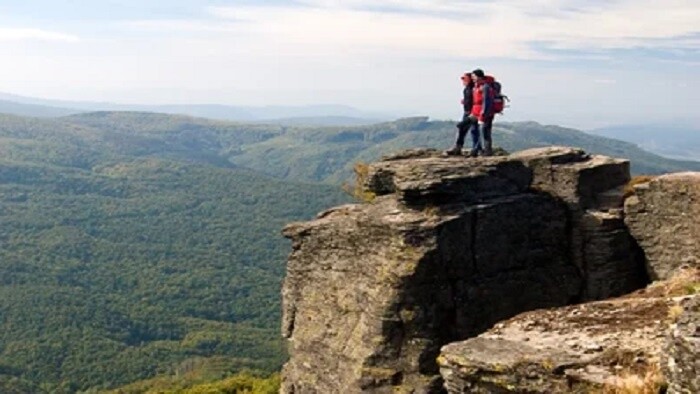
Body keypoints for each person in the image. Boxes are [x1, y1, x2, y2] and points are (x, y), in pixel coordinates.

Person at [444, 72, 475, 156]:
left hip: (471, 113)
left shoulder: (472, 89)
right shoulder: (468, 89)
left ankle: (471, 149)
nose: (463, 81)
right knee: (464, 130)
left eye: (465, 79)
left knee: (466, 129)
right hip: (468, 112)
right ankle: (459, 148)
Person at [468, 68, 495, 156]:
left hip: (485, 114)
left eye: (474, 76)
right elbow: (475, 102)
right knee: (474, 131)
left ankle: (487, 151)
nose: (472, 78)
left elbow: (487, 102)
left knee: (485, 132)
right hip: (475, 113)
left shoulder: (485, 87)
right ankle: (476, 149)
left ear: (479, 76)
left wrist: (483, 114)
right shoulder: (476, 87)